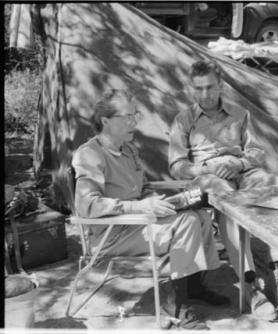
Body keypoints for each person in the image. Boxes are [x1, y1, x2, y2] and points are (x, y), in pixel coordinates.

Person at [72, 89, 229, 330]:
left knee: (199, 215)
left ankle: (194, 287)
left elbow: (143, 188)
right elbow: (88, 205)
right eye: (128, 116)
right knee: (186, 223)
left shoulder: (128, 150)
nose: (134, 121)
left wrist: (161, 202)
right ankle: (177, 302)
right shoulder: (90, 154)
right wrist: (140, 206)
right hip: (111, 234)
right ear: (105, 121)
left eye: (136, 115)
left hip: (139, 223)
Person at [168, 60, 278, 320]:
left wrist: (238, 162)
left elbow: (257, 152)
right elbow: (176, 166)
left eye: (210, 87)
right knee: (228, 201)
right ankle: (251, 288)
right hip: (207, 180)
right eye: (199, 88)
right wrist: (206, 169)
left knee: (277, 184)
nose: (205, 94)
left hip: (241, 172)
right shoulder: (183, 120)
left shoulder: (239, 114)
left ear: (221, 86)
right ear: (191, 88)